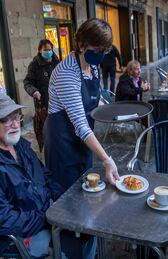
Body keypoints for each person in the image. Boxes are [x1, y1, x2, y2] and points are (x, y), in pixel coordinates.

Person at [0, 93, 96, 258]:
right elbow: (1, 219)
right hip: (17, 234)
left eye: (16, 117)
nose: (16, 124)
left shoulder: (17, 143)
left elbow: (45, 175)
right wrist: (49, 218)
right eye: (7, 119)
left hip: (45, 212)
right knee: (74, 246)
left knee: (91, 225)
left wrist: (64, 202)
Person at [44, 18, 120, 192]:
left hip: (83, 142)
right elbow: (80, 124)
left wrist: (110, 111)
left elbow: (93, 100)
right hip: (63, 143)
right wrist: (107, 160)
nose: (100, 54)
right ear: (81, 44)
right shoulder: (66, 73)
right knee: (67, 196)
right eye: (97, 49)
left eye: (104, 50)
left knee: (86, 189)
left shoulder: (92, 67)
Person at [24, 39, 60, 151]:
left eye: (50, 49)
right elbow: (28, 82)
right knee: (46, 129)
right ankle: (47, 149)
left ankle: (59, 146)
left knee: (58, 127)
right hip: (43, 103)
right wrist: (34, 91)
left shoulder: (56, 62)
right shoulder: (34, 65)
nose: (48, 52)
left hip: (59, 101)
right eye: (45, 50)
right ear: (40, 50)